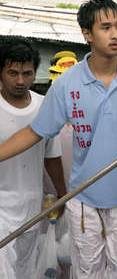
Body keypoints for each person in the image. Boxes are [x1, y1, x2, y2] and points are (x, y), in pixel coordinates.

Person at [0, 0, 117, 278]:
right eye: (105, 27)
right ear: (87, 33)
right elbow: (35, 132)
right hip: (84, 197)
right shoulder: (67, 83)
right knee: (87, 270)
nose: (115, 34)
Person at [0, 36, 66, 279]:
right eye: (12, 73)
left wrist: (62, 194)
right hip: (1, 204)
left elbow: (52, 156)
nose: (20, 80)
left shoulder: (44, 106)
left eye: (27, 73)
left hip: (31, 204)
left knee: (25, 268)